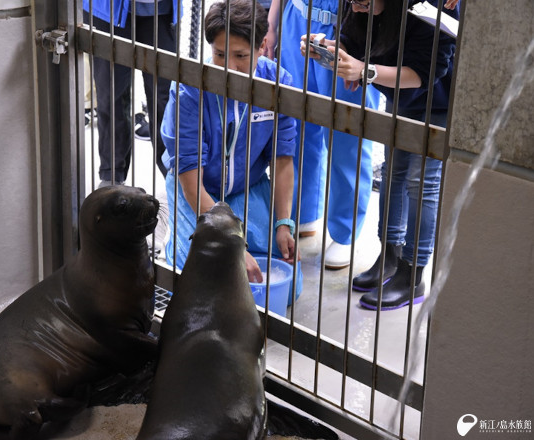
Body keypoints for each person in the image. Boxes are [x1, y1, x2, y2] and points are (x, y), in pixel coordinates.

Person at [303, 0, 459, 310]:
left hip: (438, 100)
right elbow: (352, 35)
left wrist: (366, 71)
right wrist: (333, 50)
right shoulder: (361, 8)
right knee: (393, 171)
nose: (356, 8)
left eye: (362, 2)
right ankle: (389, 256)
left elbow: (422, 72)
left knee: (422, 181)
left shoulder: (433, 8)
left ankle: (413, 274)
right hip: (400, 96)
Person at [161, 0, 303, 296]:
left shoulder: (278, 83)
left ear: (263, 45)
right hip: (198, 192)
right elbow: (189, 180)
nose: (230, 67)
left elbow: (282, 159)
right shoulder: (189, 88)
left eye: (240, 55)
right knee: (208, 280)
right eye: (220, 54)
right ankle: (177, 238)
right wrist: (228, 243)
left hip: (247, 187)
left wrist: (284, 223)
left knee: (288, 285)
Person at [265, 0, 381, 270]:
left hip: (352, 28)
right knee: (294, 126)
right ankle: (301, 213)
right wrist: (272, 23)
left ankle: (345, 232)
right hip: (297, 22)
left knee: (347, 134)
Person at [83, 0, 179, 187]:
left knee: (166, 99)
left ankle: (174, 173)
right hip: (107, 10)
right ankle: (112, 174)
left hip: (162, 10)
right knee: (111, 96)